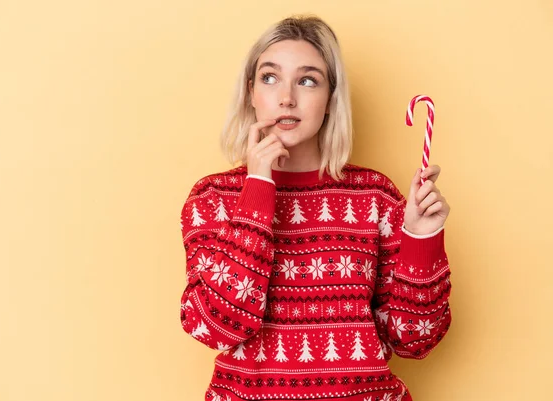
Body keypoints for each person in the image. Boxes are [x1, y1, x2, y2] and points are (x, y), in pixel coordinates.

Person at [179, 14, 452, 401]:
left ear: (329, 100)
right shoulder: (213, 198)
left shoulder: (376, 197)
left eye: (308, 80)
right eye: (270, 77)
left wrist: (423, 239)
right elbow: (216, 326)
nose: (286, 97)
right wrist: (257, 188)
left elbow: (414, 340)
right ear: (250, 92)